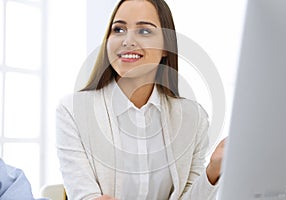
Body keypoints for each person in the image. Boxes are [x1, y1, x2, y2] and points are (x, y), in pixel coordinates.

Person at [56, 0, 225, 199]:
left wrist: (212, 172)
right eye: (118, 29)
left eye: (144, 31)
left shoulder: (193, 118)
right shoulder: (73, 111)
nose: (127, 41)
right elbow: (84, 195)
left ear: (166, 47)